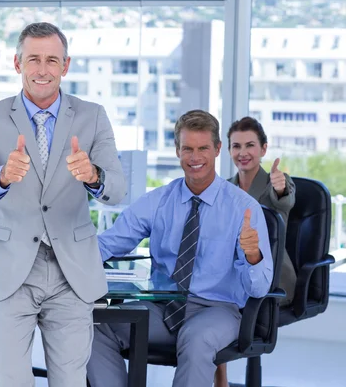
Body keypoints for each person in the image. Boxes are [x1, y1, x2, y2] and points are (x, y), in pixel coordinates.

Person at [0, 22, 126, 386]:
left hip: (72, 272)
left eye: (52, 60)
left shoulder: (92, 115)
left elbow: (119, 191)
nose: (42, 69)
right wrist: (1, 177)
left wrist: (94, 176)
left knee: (69, 382)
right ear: (17, 64)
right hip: (8, 272)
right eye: (33, 59)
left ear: (65, 66)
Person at [87, 110, 273, 387]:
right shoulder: (159, 200)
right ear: (177, 150)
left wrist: (252, 255)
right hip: (163, 308)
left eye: (203, 149)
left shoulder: (244, 208)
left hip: (218, 309)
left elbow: (259, 289)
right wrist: (63, 255)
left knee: (196, 339)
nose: (195, 157)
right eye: (187, 148)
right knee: (96, 325)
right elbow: (111, 242)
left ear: (218, 149)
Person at [213, 116, 297, 387]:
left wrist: (280, 186)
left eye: (250, 145)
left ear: (263, 149)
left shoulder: (276, 182)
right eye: (236, 146)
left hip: (272, 277)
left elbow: (283, 199)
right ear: (228, 151)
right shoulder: (223, 188)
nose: (243, 152)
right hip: (235, 274)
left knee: (215, 306)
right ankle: (218, 379)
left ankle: (219, 380)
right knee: (205, 300)